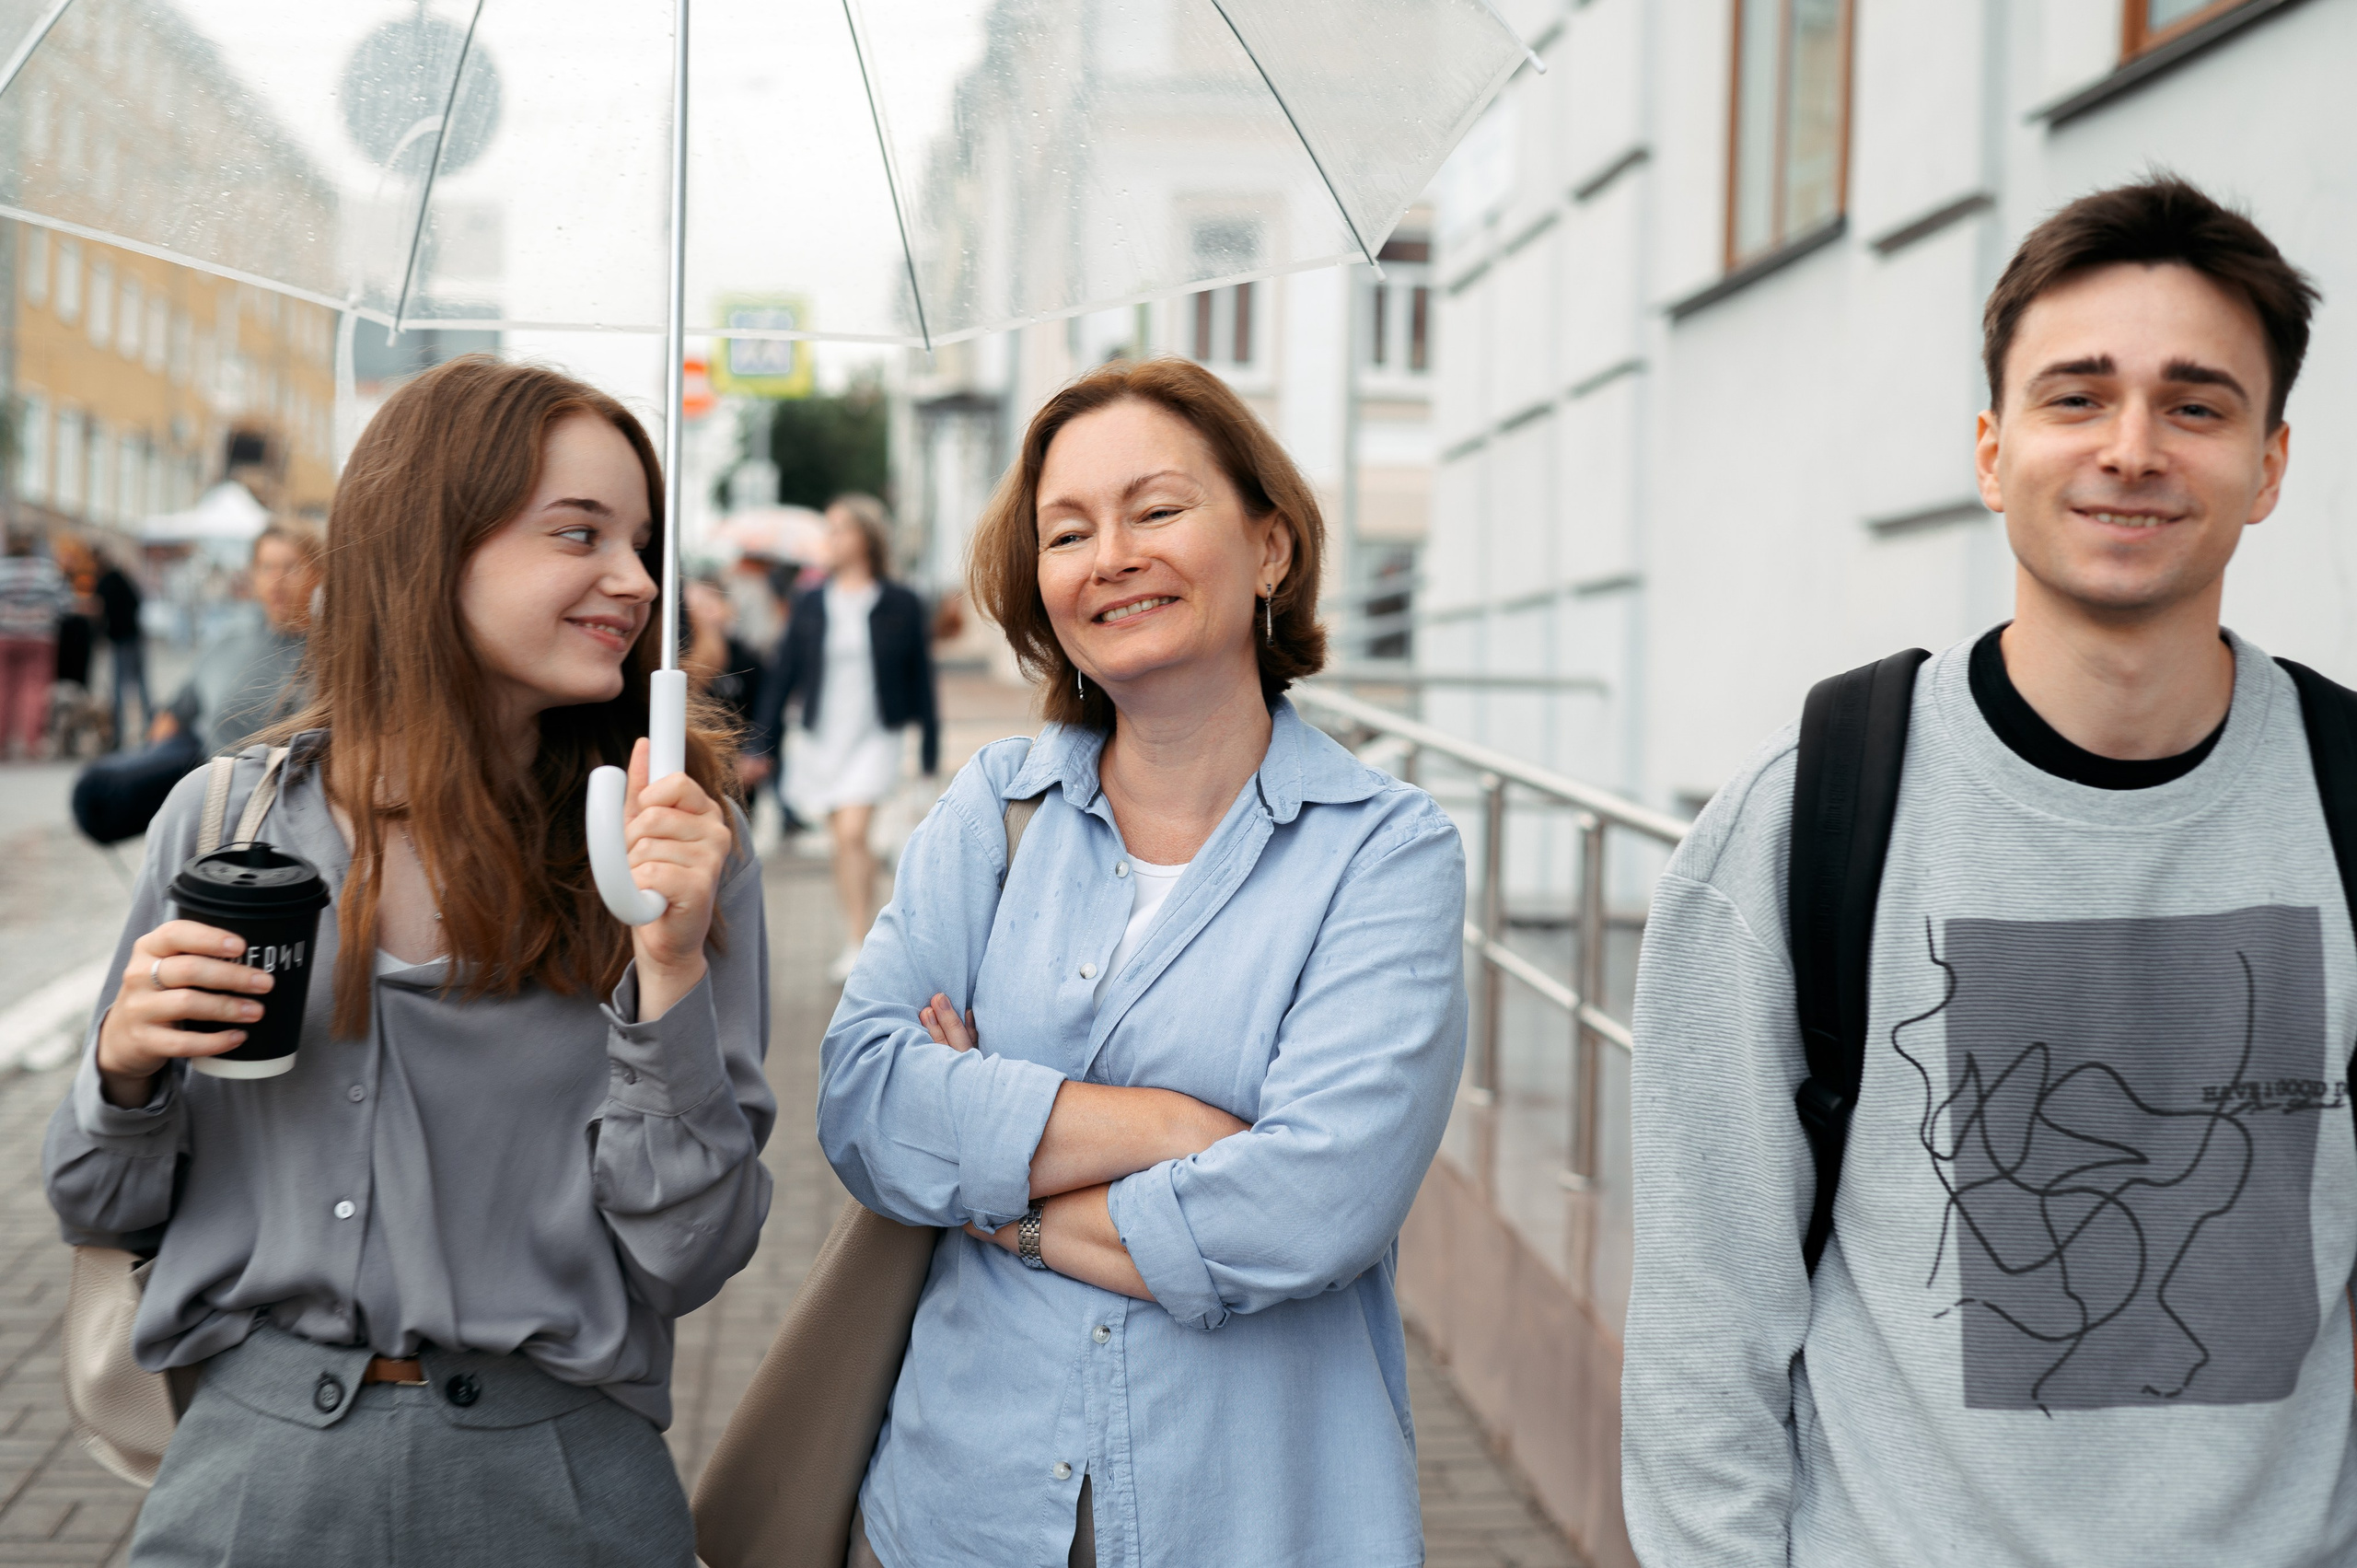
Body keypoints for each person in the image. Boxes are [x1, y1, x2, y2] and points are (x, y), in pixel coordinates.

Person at [1622, 180, 2351, 1565]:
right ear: (1990, 448)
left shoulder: (2345, 801)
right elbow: (1703, 1339)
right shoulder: (1801, 824)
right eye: (2077, 397)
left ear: (2268, 466)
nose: (2131, 448)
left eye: (2195, 406)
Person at [44, 354, 773, 1566]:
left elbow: (689, 1252)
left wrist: (671, 968)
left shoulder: (672, 849)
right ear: (430, 543)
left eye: (642, 542)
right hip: (250, 1480)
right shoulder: (224, 824)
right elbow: (96, 1202)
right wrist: (123, 1072)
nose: (638, 580)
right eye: (580, 532)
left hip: (563, 1485)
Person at [815, 358, 1468, 1567]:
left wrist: (997, 1194)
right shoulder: (994, 808)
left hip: (1250, 1520)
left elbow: (1313, 1206)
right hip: (954, 1515)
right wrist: (1172, 1126)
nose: (1110, 555)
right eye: (1067, 531)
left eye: (1156, 509)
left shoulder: (1384, 851)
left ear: (1269, 545)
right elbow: (864, 1100)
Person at [746, 494, 939, 981]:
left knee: (853, 833)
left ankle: (862, 939)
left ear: (865, 538)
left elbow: (922, 678)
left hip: (876, 734)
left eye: (838, 529)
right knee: (844, 842)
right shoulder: (810, 601)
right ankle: (860, 934)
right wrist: (760, 742)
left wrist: (930, 751)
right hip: (822, 736)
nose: (828, 539)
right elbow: (783, 675)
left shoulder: (900, 601)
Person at [69, 523, 325, 845]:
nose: (277, 580)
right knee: (95, 793)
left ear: (318, 573)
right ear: (252, 574)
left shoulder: (326, 654)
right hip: (198, 759)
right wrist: (155, 752)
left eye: (291, 567)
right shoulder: (232, 636)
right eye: (266, 567)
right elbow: (179, 708)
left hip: (260, 789)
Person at [0, 526, 70, 760]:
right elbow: (65, 604)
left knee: (3, 688)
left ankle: (1, 743)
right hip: (39, 638)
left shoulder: (1, 569)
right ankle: (32, 744)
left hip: (4, 637)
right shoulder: (48, 570)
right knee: (35, 689)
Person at [94, 552, 147, 749]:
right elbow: (137, 601)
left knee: (119, 686)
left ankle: (118, 733)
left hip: (120, 638)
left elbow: (98, 610)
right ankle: (151, 726)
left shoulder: (105, 582)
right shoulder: (122, 578)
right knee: (141, 685)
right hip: (134, 635)